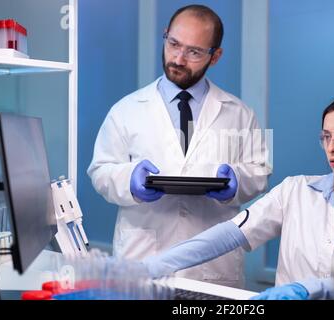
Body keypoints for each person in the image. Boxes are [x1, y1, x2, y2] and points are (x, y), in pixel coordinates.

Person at [141, 93, 334, 300]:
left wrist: (304, 290)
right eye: (326, 136)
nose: (332, 147)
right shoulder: (295, 190)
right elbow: (230, 234)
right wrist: (159, 263)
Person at [87, 5, 271, 289]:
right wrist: (130, 180)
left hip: (213, 267)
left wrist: (237, 183)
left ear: (216, 56)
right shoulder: (125, 109)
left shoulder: (242, 112)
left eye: (194, 52)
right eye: (173, 44)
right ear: (165, 37)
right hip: (142, 260)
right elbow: (99, 171)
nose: (179, 58)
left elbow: (260, 172)